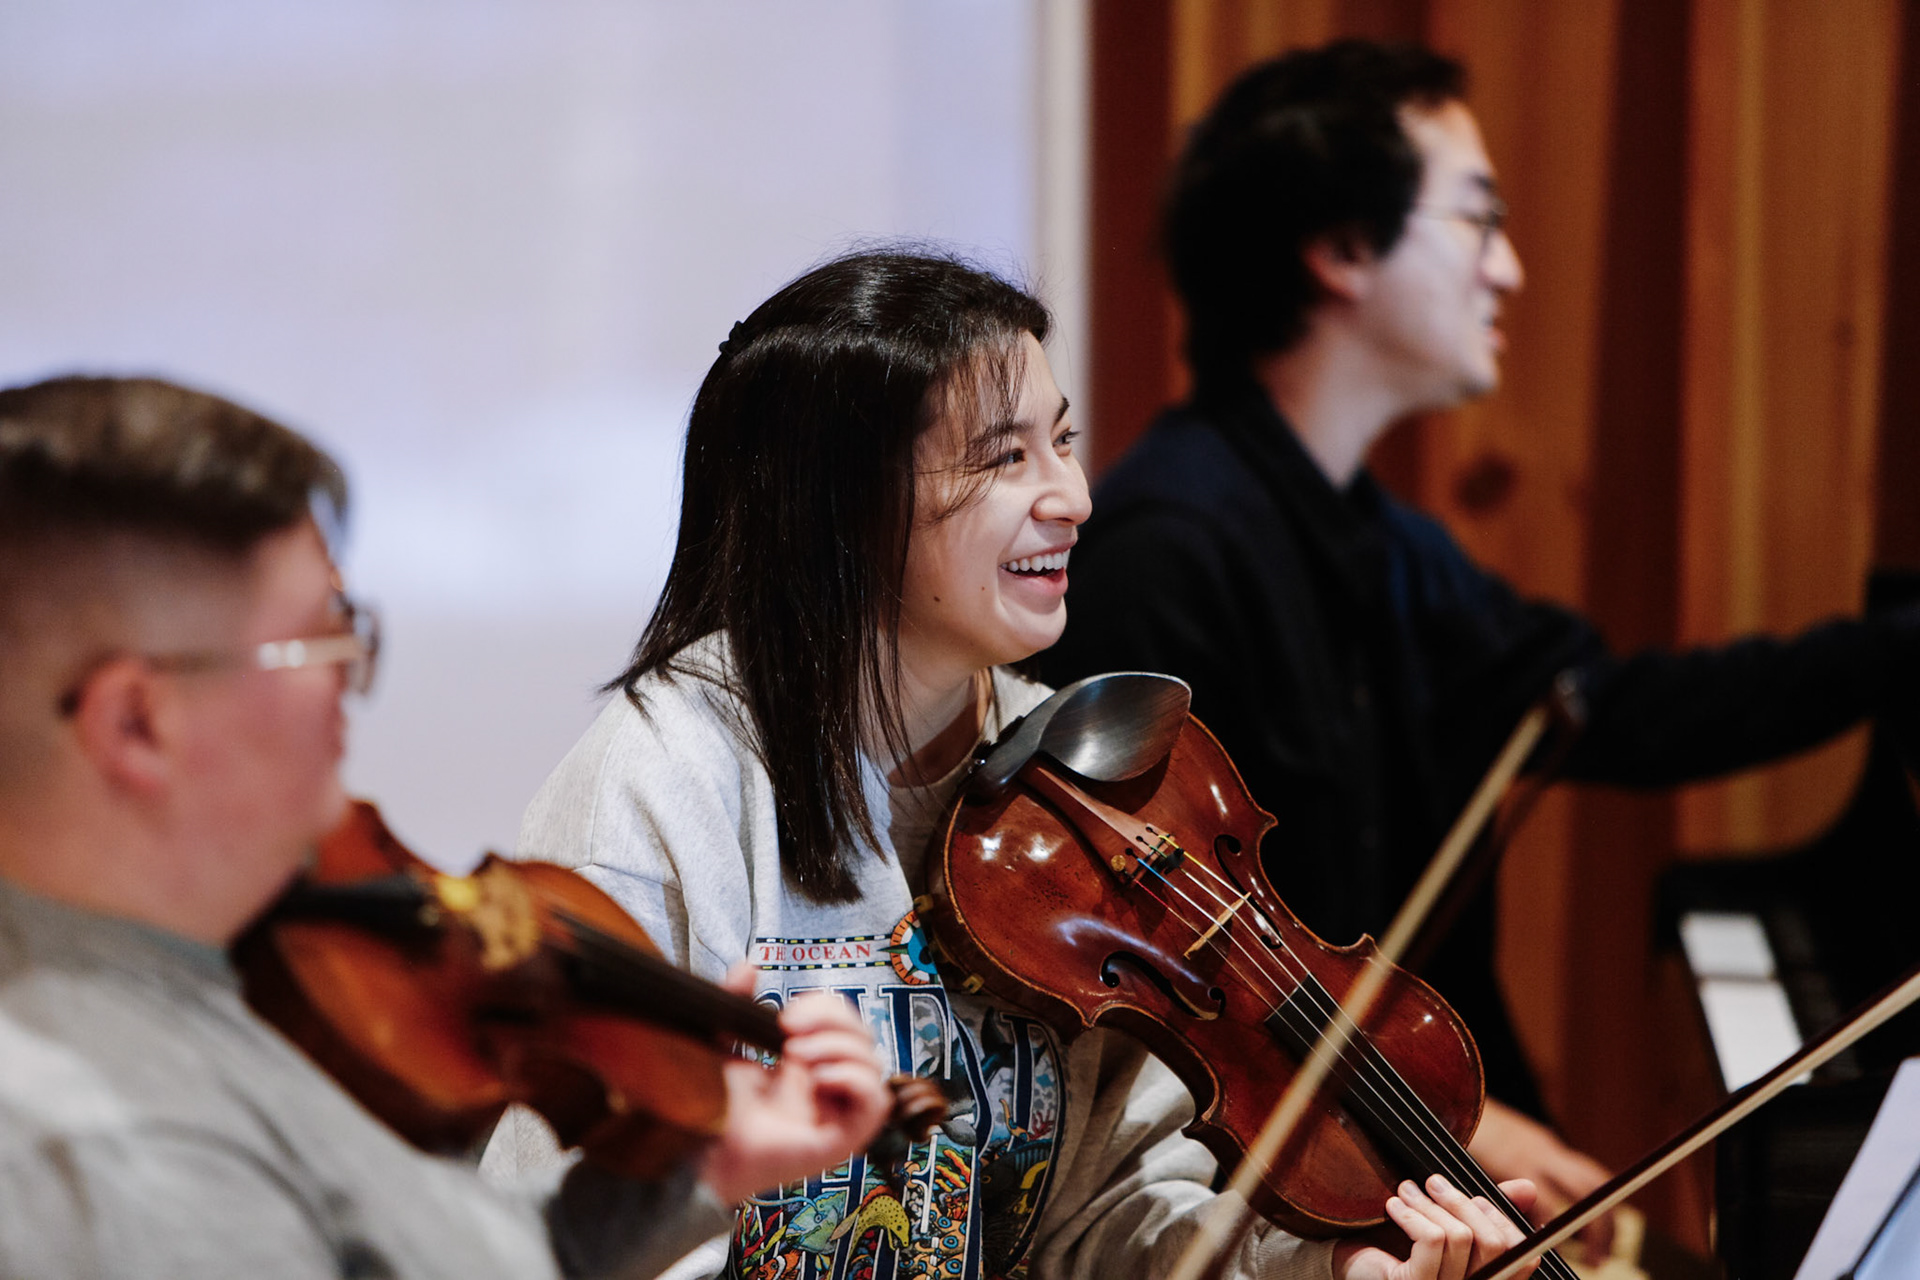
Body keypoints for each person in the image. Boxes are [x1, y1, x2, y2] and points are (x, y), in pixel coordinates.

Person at [1037, 36, 1920, 1241]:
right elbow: (1172, 966)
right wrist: (1458, 1119)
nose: (1508, 268)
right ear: (1343, 249)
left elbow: (1629, 708)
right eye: (1476, 221)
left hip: (1410, 1150)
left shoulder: (1387, 547)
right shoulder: (1164, 554)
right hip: (1280, 1206)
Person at [507, 249, 1539, 1280]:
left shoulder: (1083, 780)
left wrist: (1337, 1274)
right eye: (1004, 457)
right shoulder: (661, 786)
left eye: (1063, 441)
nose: (1074, 497)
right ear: (841, 502)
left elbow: (1106, 1215)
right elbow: (551, 1241)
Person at [0, 374, 895, 1279]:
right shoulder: (126, 1151)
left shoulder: (223, 977)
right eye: (319, 639)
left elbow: (431, 1253)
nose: (353, 678)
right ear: (136, 724)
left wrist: (702, 1169)